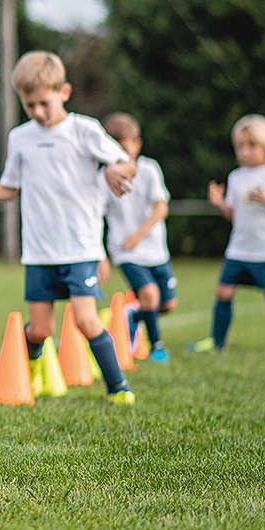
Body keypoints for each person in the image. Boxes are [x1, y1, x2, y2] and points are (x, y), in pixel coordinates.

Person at [0, 51, 139, 404]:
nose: (38, 112)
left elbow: (129, 165)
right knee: (41, 329)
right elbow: (9, 188)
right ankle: (26, 378)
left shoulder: (84, 130)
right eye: (29, 105)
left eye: (44, 103)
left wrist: (114, 169)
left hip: (80, 248)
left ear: (64, 92)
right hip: (39, 251)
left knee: (86, 320)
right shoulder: (20, 137)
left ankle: (118, 388)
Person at [188, 115, 265, 356]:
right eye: (239, 146)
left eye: (251, 145)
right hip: (238, 249)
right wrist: (219, 202)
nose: (244, 152)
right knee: (223, 292)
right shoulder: (236, 176)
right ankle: (216, 342)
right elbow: (232, 214)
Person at [98, 112, 177, 363]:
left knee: (167, 305)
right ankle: (157, 348)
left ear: (137, 145)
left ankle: (132, 316)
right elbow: (95, 217)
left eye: (123, 147)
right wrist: (101, 254)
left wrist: (140, 234)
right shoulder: (102, 178)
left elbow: (161, 207)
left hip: (155, 250)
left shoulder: (149, 169)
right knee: (150, 295)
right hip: (125, 251)